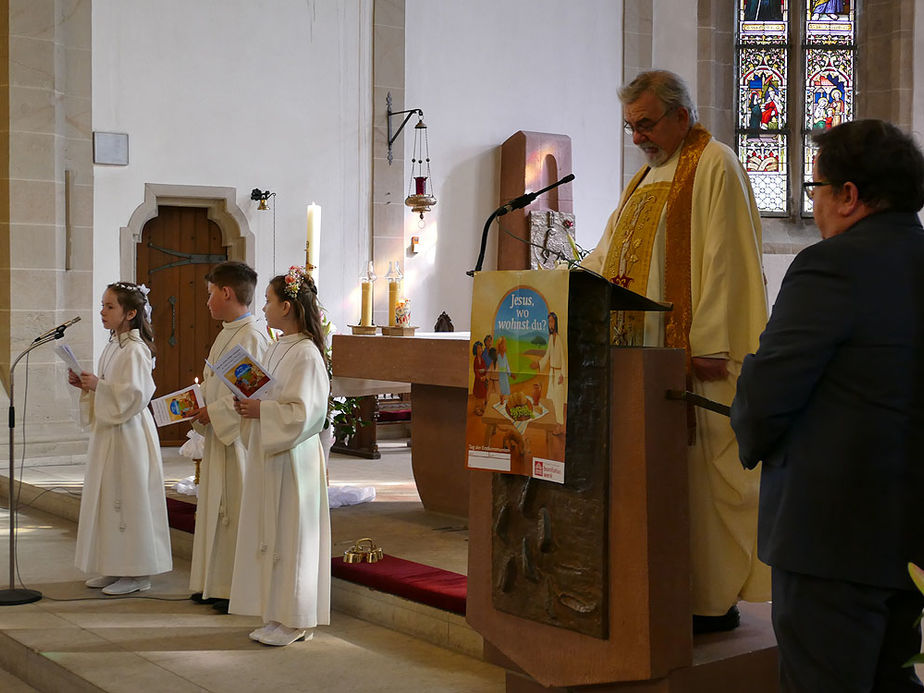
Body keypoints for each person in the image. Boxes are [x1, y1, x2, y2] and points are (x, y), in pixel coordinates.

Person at [731, 119, 924, 690]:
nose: (813, 207)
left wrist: (749, 433)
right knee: (894, 678)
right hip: (910, 534)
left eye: (815, 190)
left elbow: (769, 390)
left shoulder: (831, 265)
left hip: (830, 539)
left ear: (849, 195)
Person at [582, 70, 769, 632]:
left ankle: (709, 601)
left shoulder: (714, 166)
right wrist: (569, 286)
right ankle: (661, 588)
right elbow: (609, 254)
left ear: (681, 116)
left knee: (702, 481)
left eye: (646, 123)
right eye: (630, 127)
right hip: (640, 367)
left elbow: (730, 261)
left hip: (694, 365)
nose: (638, 136)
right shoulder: (643, 180)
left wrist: (709, 342)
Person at [229, 265, 331, 647]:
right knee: (272, 536)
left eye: (269, 302)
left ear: (287, 306)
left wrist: (262, 412)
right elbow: (269, 396)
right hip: (269, 454)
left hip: (293, 459)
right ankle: (275, 612)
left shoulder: (306, 354)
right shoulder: (275, 348)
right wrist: (248, 404)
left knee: (292, 536)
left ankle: (296, 617)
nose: (265, 308)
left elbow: (307, 413)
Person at [69, 282, 172, 595]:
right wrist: (88, 385)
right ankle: (114, 565)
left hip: (129, 434)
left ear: (130, 313)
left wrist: (99, 386)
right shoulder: (115, 345)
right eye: (103, 305)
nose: (102, 311)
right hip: (109, 431)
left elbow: (135, 396)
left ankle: (137, 572)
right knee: (108, 498)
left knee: (129, 499)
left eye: (110, 306)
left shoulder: (137, 350)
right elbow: (110, 387)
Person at [188, 261, 270, 613]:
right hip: (221, 440)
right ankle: (214, 582)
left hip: (238, 444)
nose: (207, 302)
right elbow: (219, 384)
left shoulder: (252, 336)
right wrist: (195, 402)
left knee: (235, 514)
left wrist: (215, 412)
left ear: (227, 292)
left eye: (210, 294)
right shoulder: (228, 332)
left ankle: (234, 588)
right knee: (218, 514)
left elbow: (255, 394)